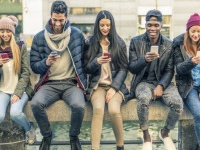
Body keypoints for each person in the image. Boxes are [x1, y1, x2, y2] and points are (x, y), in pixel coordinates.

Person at [30, 1, 87, 150]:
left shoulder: (76, 35)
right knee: (35, 104)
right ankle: (47, 136)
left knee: (79, 106)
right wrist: (46, 62)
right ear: (51, 16)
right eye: (55, 19)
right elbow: (34, 66)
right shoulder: (39, 38)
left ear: (66, 18)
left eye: (61, 20)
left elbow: (85, 61)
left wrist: (81, 82)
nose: (57, 23)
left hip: (70, 83)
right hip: (49, 83)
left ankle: (73, 137)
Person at [128, 9, 183, 150]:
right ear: (145, 25)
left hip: (163, 83)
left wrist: (161, 86)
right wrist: (144, 60)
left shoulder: (169, 44)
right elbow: (132, 68)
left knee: (178, 104)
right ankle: (146, 135)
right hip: (143, 82)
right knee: (143, 100)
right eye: (149, 25)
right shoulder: (135, 42)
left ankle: (164, 133)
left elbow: (170, 70)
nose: (152, 28)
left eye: (156, 25)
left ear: (161, 25)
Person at [83, 10, 129, 150]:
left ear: (112, 25)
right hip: (98, 86)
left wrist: (114, 88)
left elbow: (123, 68)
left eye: (108, 25)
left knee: (114, 110)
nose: (105, 28)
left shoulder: (119, 43)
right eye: (102, 25)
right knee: (98, 109)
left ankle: (120, 146)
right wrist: (96, 61)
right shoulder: (90, 43)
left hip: (115, 86)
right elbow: (86, 68)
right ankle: (95, 148)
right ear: (97, 25)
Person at [0, 16, 35, 144]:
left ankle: (29, 128)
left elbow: (26, 72)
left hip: (21, 90)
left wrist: (17, 93)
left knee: (15, 113)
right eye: (2, 31)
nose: (5, 34)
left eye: (8, 31)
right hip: (3, 90)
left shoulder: (20, 47)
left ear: (12, 32)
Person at [173, 13, 200, 146]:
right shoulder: (180, 45)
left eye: (199, 31)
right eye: (193, 31)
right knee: (199, 114)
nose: (196, 34)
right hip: (189, 86)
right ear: (188, 31)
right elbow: (178, 69)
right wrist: (191, 62)